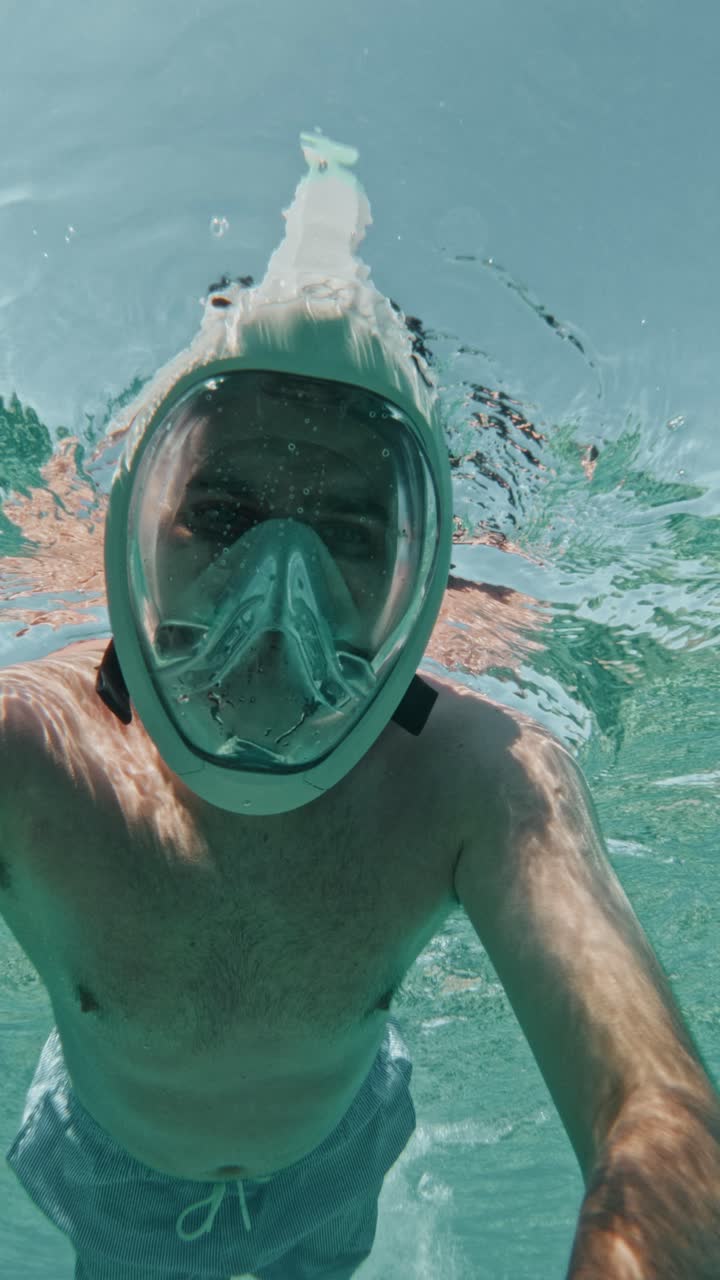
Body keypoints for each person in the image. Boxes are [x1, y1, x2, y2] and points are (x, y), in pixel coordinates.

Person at [1, 133, 718, 1280]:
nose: (278, 604)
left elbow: (664, 1120)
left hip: (334, 1161)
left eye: (347, 535)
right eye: (224, 514)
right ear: (131, 532)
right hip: (113, 1168)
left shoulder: (482, 781)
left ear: (419, 576)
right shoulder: (29, 749)